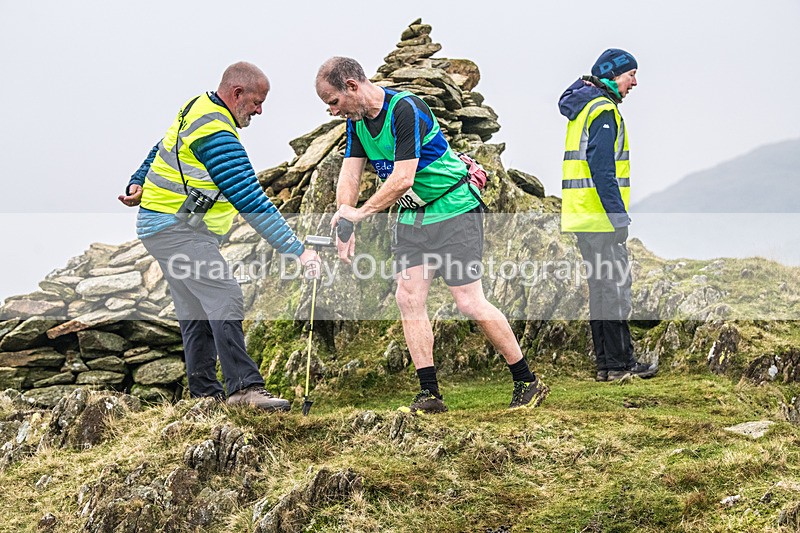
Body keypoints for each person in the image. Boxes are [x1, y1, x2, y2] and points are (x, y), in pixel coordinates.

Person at [315, 56, 549, 413]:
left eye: (333, 101)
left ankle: (526, 381)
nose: (333, 111)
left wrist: (361, 214)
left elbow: (403, 178)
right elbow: (350, 174)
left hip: (454, 209)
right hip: (413, 217)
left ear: (351, 86)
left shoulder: (405, 109)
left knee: (468, 302)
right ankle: (430, 395)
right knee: (408, 297)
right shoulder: (357, 122)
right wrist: (345, 219)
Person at [119, 62, 319, 410]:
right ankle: (244, 389)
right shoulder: (217, 135)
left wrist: (138, 179)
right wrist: (298, 251)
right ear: (237, 93)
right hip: (176, 229)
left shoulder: (198, 107)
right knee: (224, 294)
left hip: (162, 227)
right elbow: (251, 199)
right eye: (257, 102)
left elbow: (160, 146)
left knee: (195, 310)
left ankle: (205, 398)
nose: (259, 111)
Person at [558, 49, 657, 382]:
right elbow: (602, 169)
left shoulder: (584, 107)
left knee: (601, 290)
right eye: (631, 75)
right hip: (600, 218)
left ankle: (607, 365)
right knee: (614, 290)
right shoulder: (603, 110)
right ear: (614, 75)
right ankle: (620, 365)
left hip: (583, 217)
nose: (634, 83)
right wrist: (618, 217)